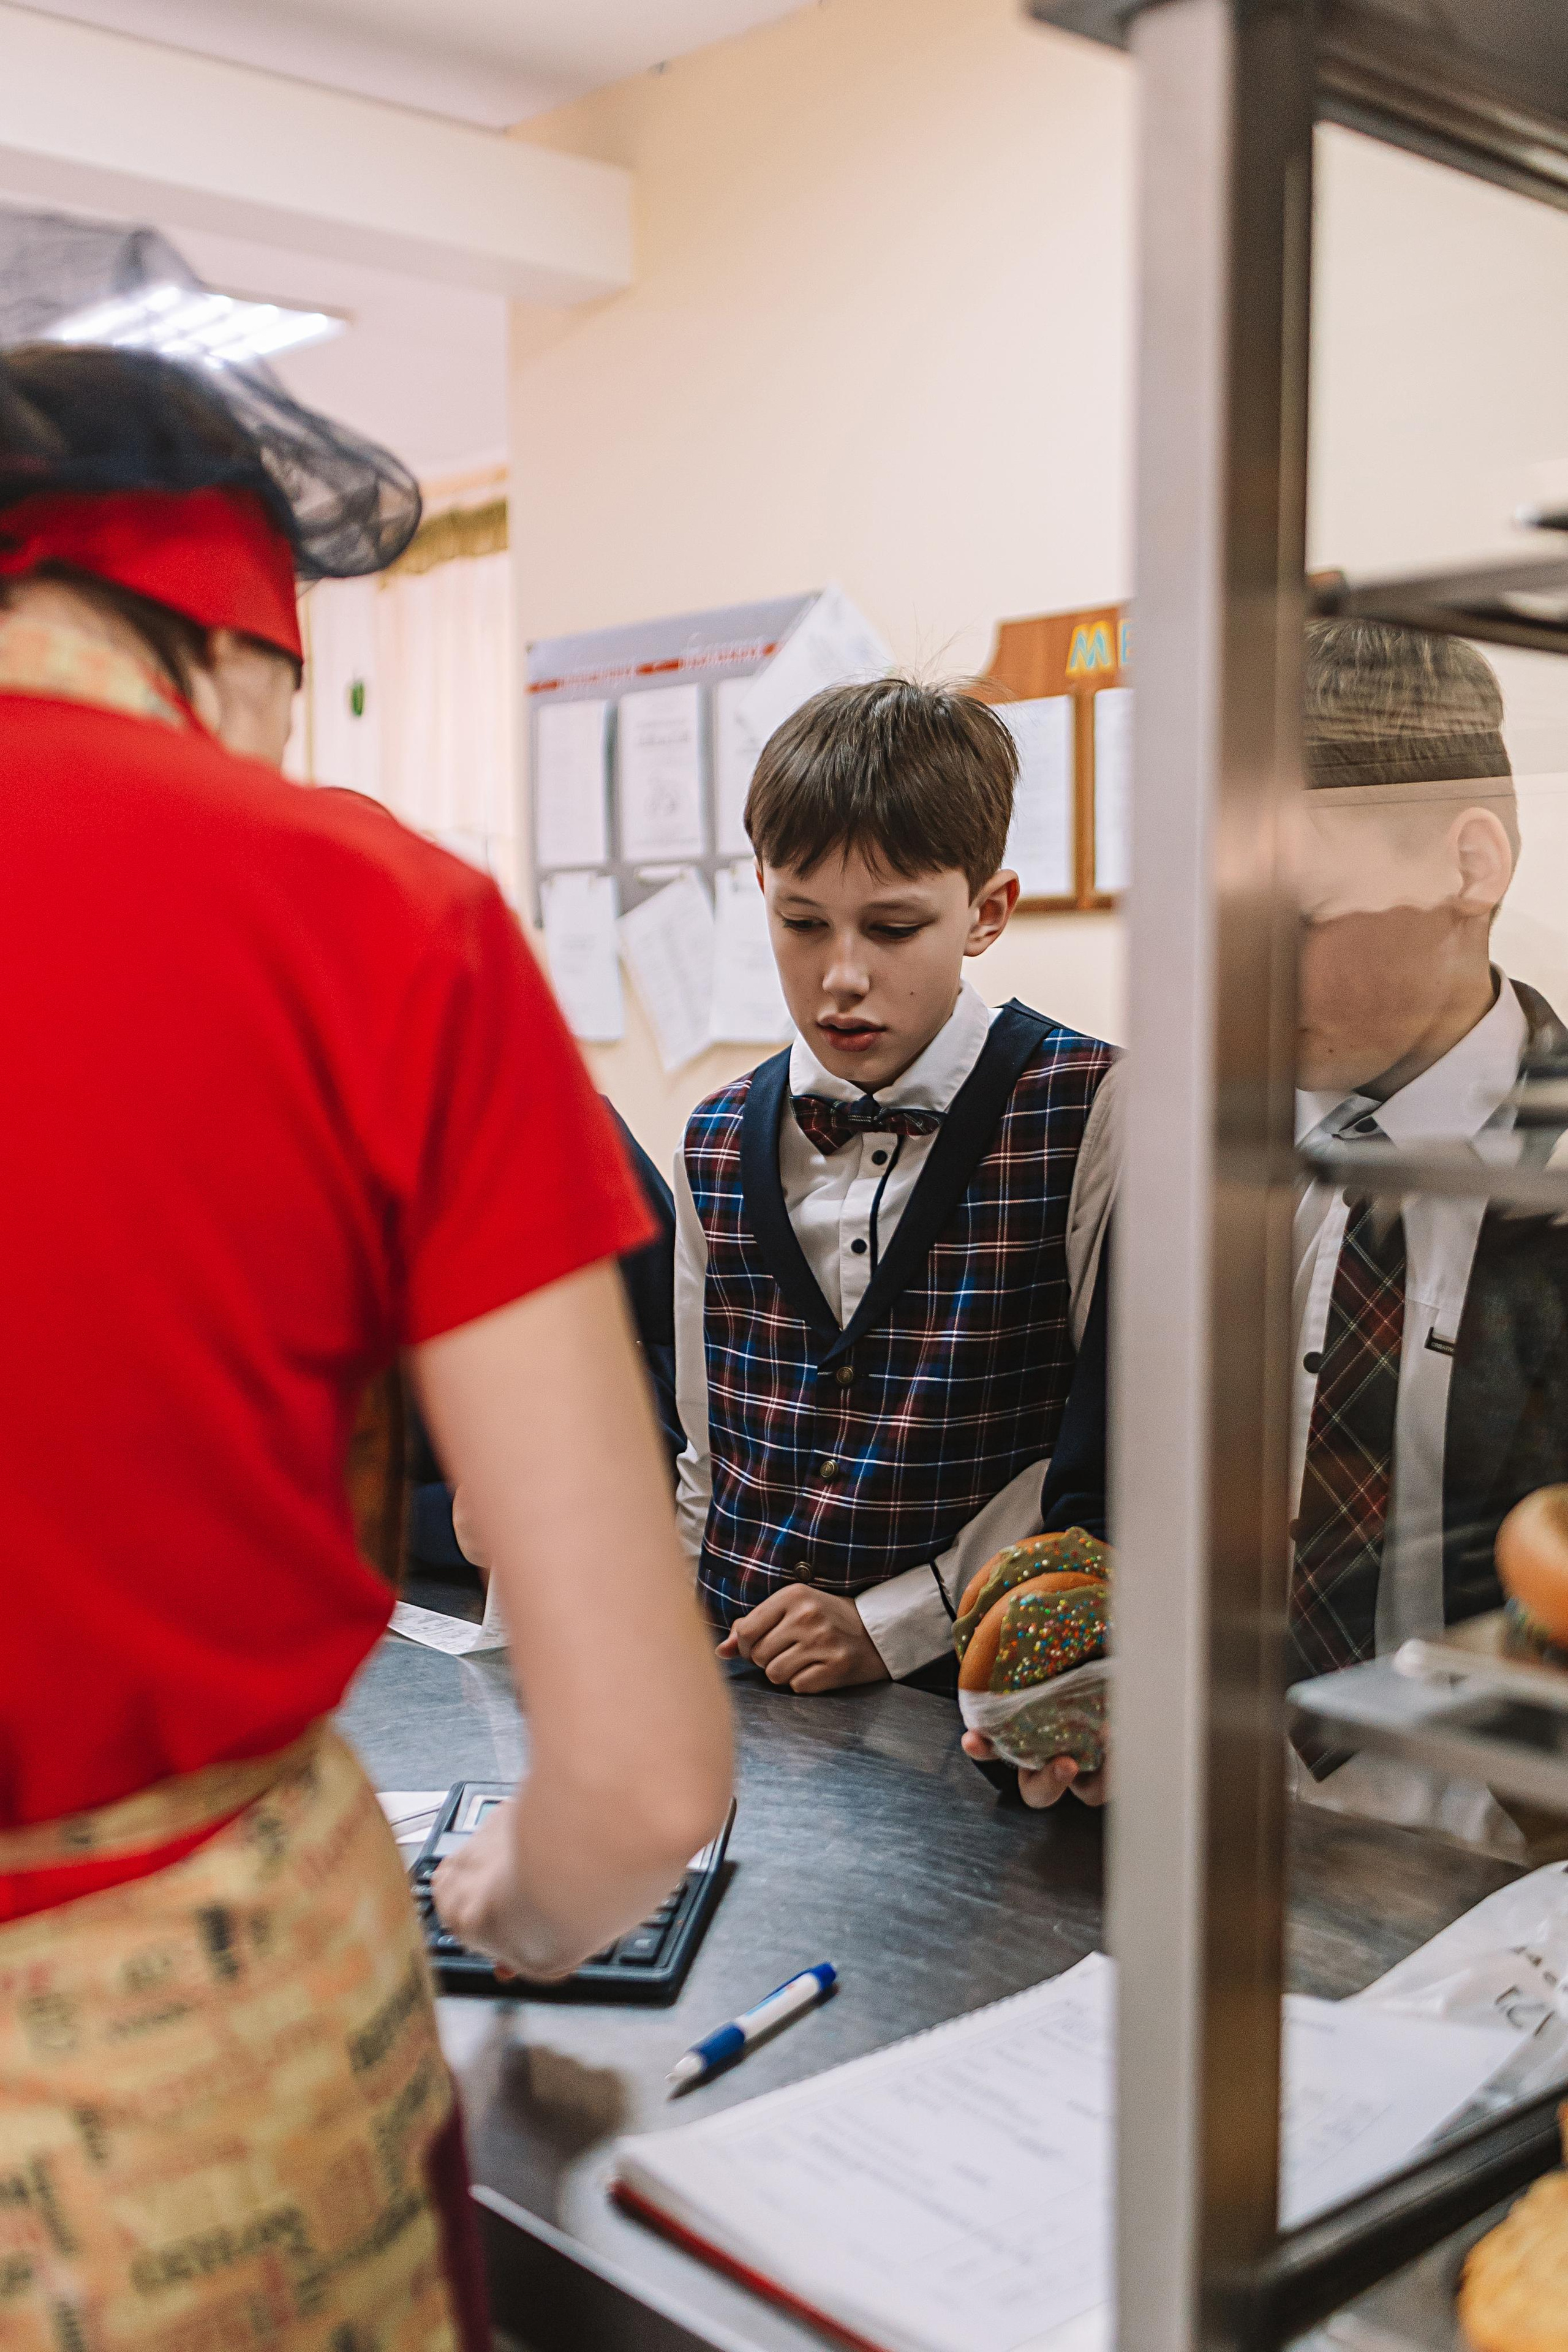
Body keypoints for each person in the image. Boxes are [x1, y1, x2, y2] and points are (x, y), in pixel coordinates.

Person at [0, 339, 731, 2349]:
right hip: (187, 2096)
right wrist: (519, 1903)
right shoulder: (373, 917)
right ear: (234, 651)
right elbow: (646, 1776)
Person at [983, 617, 1568, 1836]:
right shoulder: (1184, 1140)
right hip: (1205, 1855)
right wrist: (1070, 1698)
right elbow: (1102, 1505)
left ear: (1471, 865)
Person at [673, 677, 1120, 1696]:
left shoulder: (1093, 1107)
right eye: (802, 922)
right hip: (739, 1685)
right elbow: (709, 1454)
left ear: (986, 912)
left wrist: (898, 1619)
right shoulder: (710, 1137)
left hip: (973, 1694)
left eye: (892, 928)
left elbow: (1102, 1461)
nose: (841, 975)